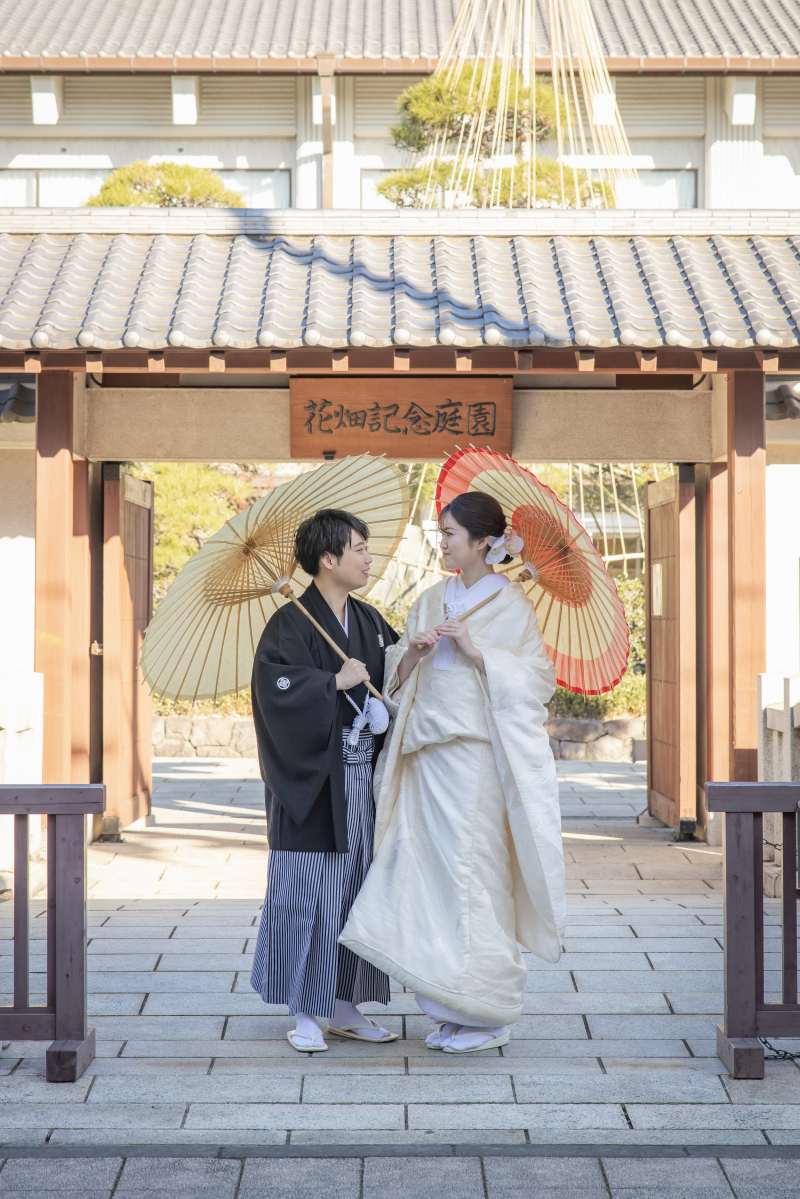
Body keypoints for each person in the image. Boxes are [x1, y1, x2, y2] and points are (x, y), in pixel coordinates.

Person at [341, 491, 566, 1053]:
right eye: (440, 533)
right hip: (425, 754)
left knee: (473, 875)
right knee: (420, 872)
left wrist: (482, 652)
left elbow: (539, 680)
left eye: (449, 534)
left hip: (473, 758)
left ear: (484, 540)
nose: (441, 542)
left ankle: (487, 1012)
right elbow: (394, 675)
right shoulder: (431, 599)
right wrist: (413, 653)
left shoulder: (511, 605)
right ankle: (447, 1006)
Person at [249, 508, 400, 1052]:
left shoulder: (370, 620)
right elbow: (274, 691)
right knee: (310, 895)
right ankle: (306, 1010)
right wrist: (331, 681)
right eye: (358, 547)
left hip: (362, 788)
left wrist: (411, 661)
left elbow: (395, 678)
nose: (368, 556)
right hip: (313, 786)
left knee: (357, 891)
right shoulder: (289, 623)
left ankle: (343, 1001)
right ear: (327, 558)